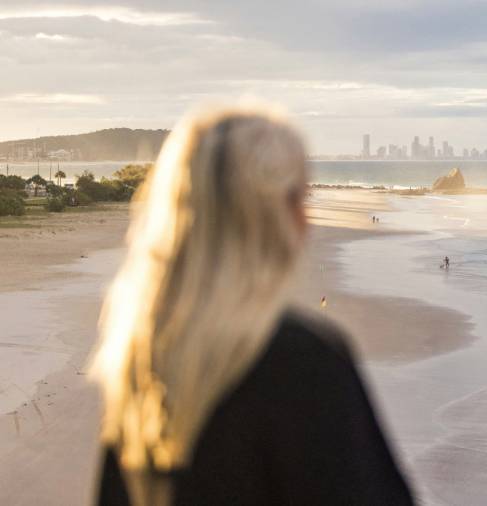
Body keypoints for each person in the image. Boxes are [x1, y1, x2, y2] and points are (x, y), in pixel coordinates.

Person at [90, 105, 412, 506]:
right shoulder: (300, 361)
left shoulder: (139, 357)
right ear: (267, 214)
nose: (306, 220)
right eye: (298, 196)